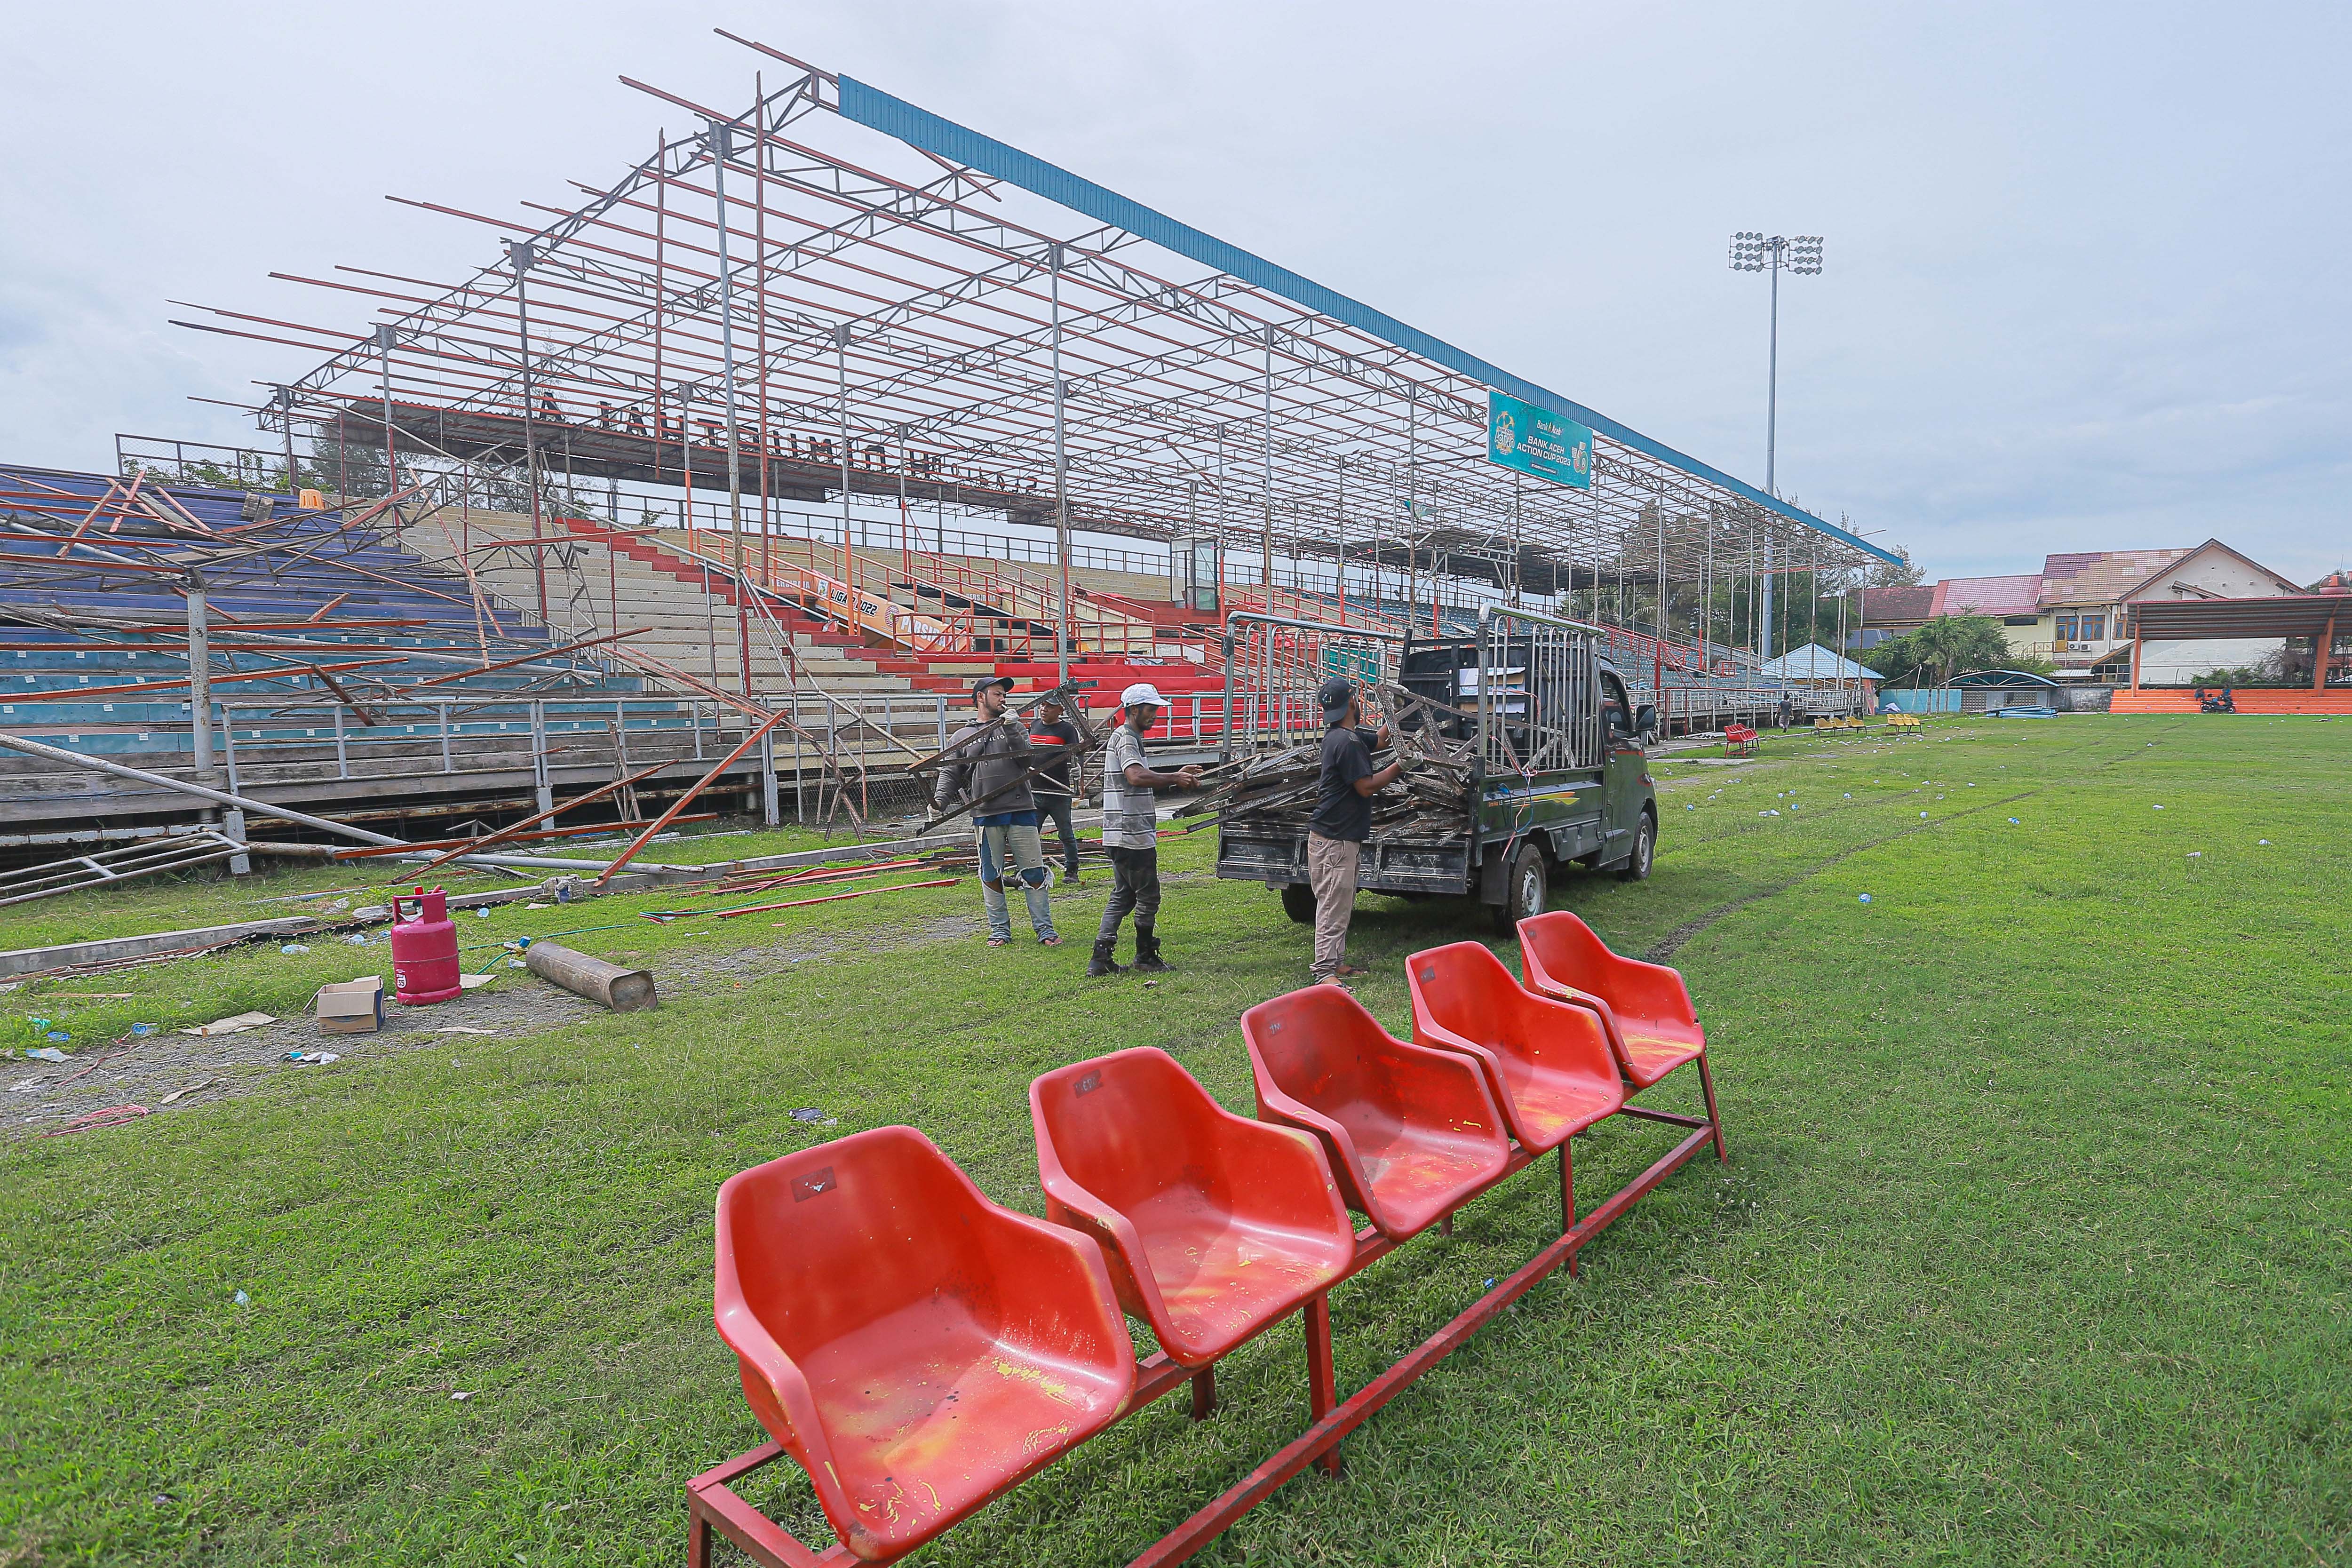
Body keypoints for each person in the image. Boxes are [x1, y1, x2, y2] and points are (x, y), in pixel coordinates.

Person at [934, 675, 1059, 948]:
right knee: (990, 874)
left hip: (1022, 811)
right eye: (998, 694)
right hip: (986, 813)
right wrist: (939, 802)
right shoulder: (962, 736)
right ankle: (1000, 932)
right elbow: (951, 772)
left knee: (1034, 873)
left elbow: (1027, 759)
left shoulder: (1015, 726)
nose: (1003, 699)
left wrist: (1014, 729)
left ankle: (1045, 931)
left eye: (1004, 694)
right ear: (981, 697)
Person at [1090, 682, 1202, 978]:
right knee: (1148, 895)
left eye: (1156, 710)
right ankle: (1145, 955)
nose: (1155, 715)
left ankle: (1101, 959)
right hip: (1131, 833)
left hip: (1119, 832)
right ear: (1133, 710)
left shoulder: (1128, 737)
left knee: (1124, 895)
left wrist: (1176, 775)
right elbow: (1136, 776)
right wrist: (1175, 777)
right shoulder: (1126, 738)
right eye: (1150, 710)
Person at [1305, 675, 1406, 986]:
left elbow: (1380, 740)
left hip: (1336, 838)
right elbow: (1366, 787)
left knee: (1341, 903)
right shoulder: (1346, 744)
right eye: (1357, 698)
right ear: (1352, 702)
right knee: (1333, 906)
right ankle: (1324, 971)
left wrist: (1395, 711)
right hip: (1335, 841)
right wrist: (1402, 765)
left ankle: (1336, 963)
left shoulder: (1342, 735)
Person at [1030, 693, 1086, 886]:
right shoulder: (1035, 725)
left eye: (1049, 706)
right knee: (1030, 834)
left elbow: (1077, 754)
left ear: (1061, 710)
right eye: (1043, 705)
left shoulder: (1067, 730)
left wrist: (1078, 767)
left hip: (1058, 793)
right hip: (1036, 792)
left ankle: (1072, 871)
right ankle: (1032, 871)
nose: (1044, 709)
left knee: (1066, 833)